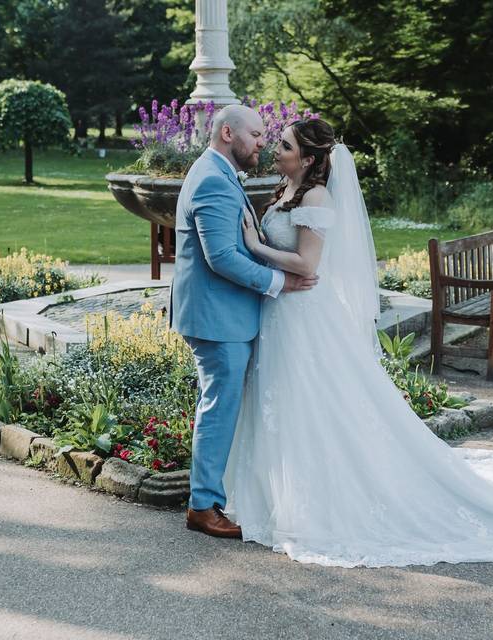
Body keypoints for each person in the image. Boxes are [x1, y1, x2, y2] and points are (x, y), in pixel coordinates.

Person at [219, 117, 493, 567]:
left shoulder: (315, 197)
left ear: (309, 159)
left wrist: (255, 247)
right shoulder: (287, 191)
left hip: (304, 318)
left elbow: (307, 265)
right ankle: (275, 500)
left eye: (286, 145)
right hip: (283, 318)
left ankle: (315, 507)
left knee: (312, 404)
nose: (276, 149)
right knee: (288, 404)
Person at [170, 104, 318, 538]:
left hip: (224, 315)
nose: (262, 142)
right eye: (256, 134)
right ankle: (203, 506)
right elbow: (221, 259)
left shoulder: (216, 173)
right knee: (218, 408)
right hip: (218, 318)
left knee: (221, 406)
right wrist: (280, 282)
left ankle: (213, 495)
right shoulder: (214, 181)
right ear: (228, 133)